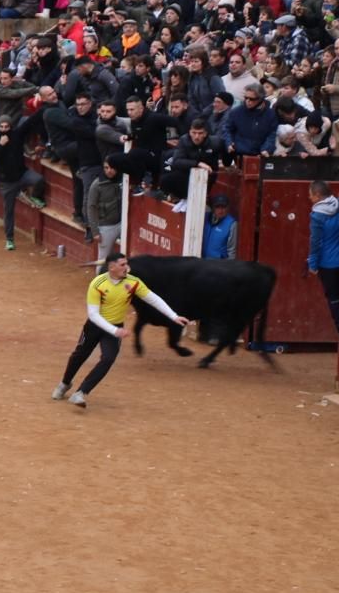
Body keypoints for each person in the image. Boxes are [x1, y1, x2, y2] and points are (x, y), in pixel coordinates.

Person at [53, 251, 189, 408]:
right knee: (79, 355)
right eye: (123, 265)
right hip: (95, 327)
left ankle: (81, 392)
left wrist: (173, 316)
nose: (127, 267)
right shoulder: (97, 284)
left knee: (108, 359)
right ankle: (65, 383)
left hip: (116, 327)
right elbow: (93, 315)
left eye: (126, 264)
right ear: (111, 267)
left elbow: (152, 298)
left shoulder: (133, 282)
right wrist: (114, 331)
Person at [307, 180, 339, 346]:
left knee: (333, 298)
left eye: (310, 194)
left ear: (317, 196)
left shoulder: (316, 215)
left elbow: (315, 242)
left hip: (327, 263)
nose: (309, 197)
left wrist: (313, 264)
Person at [0, 114, 46, 250]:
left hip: (22, 175)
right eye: (1, 127)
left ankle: (33, 196)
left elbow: (30, 121)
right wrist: (0, 145)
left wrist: (43, 103)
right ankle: (9, 239)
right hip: (7, 183)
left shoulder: (17, 135)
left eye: (7, 126)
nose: (4, 129)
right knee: (8, 211)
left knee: (39, 179)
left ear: (11, 126)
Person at [87, 155, 126, 267]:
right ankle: (99, 283)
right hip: (106, 226)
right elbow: (91, 207)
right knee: (103, 260)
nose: (109, 171)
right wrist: (95, 231)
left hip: (123, 223)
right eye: (106, 168)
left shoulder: (124, 179)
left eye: (111, 168)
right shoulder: (97, 184)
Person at [203, 193, 238, 259]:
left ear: (228, 208)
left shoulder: (232, 224)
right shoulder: (206, 217)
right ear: (213, 208)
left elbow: (232, 251)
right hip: (202, 260)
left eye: (223, 207)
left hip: (218, 264)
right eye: (217, 207)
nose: (220, 210)